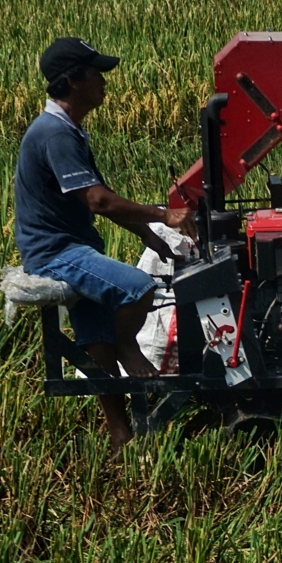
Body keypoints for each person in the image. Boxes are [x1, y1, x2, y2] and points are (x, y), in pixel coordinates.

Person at [14, 37, 195, 449]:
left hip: (74, 245)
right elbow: (98, 200)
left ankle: (120, 433)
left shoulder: (70, 130)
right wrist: (165, 215)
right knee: (139, 287)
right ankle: (129, 346)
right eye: (97, 73)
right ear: (74, 80)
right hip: (56, 252)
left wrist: (148, 235)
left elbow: (101, 198)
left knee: (96, 342)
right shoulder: (55, 134)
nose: (104, 82)